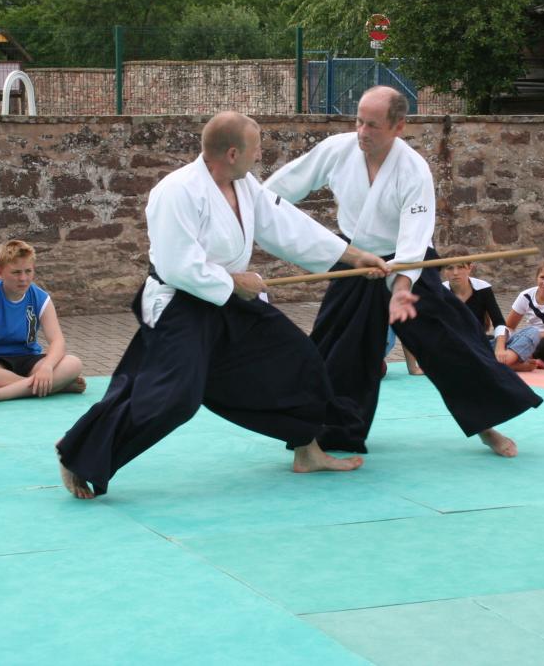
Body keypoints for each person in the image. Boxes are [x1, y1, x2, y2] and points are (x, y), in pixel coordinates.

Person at [56, 111, 388, 499]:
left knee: (300, 359)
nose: (261, 153)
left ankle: (307, 450)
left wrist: (352, 256)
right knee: (174, 398)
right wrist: (231, 281)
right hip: (182, 303)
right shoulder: (176, 191)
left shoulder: (245, 186)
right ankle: (78, 455)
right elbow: (178, 263)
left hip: (231, 300)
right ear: (233, 153)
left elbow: (287, 226)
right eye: (257, 146)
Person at [264, 86, 543, 456]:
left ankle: (486, 425)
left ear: (398, 127)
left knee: (451, 343)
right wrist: (251, 211)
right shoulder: (336, 150)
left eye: (373, 125)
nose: (362, 131)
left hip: (407, 263)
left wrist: (401, 285)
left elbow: (415, 235)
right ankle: (324, 435)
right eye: (359, 121)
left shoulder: (413, 169)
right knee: (335, 349)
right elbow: (278, 189)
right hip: (354, 262)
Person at [0, 240, 86, 403]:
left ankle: (3, 393)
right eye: (16, 272)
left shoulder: (41, 297)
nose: (23, 278)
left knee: (73, 363)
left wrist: (47, 367)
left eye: (28, 271)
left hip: (29, 358)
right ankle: (56, 387)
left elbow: (58, 341)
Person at [441, 250, 507, 337]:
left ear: (470, 268)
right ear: (444, 271)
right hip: (451, 344)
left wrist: (500, 347)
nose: (455, 273)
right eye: (450, 268)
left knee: (529, 333)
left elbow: (499, 322)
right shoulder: (439, 291)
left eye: (460, 267)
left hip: (479, 342)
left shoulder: (483, 288)